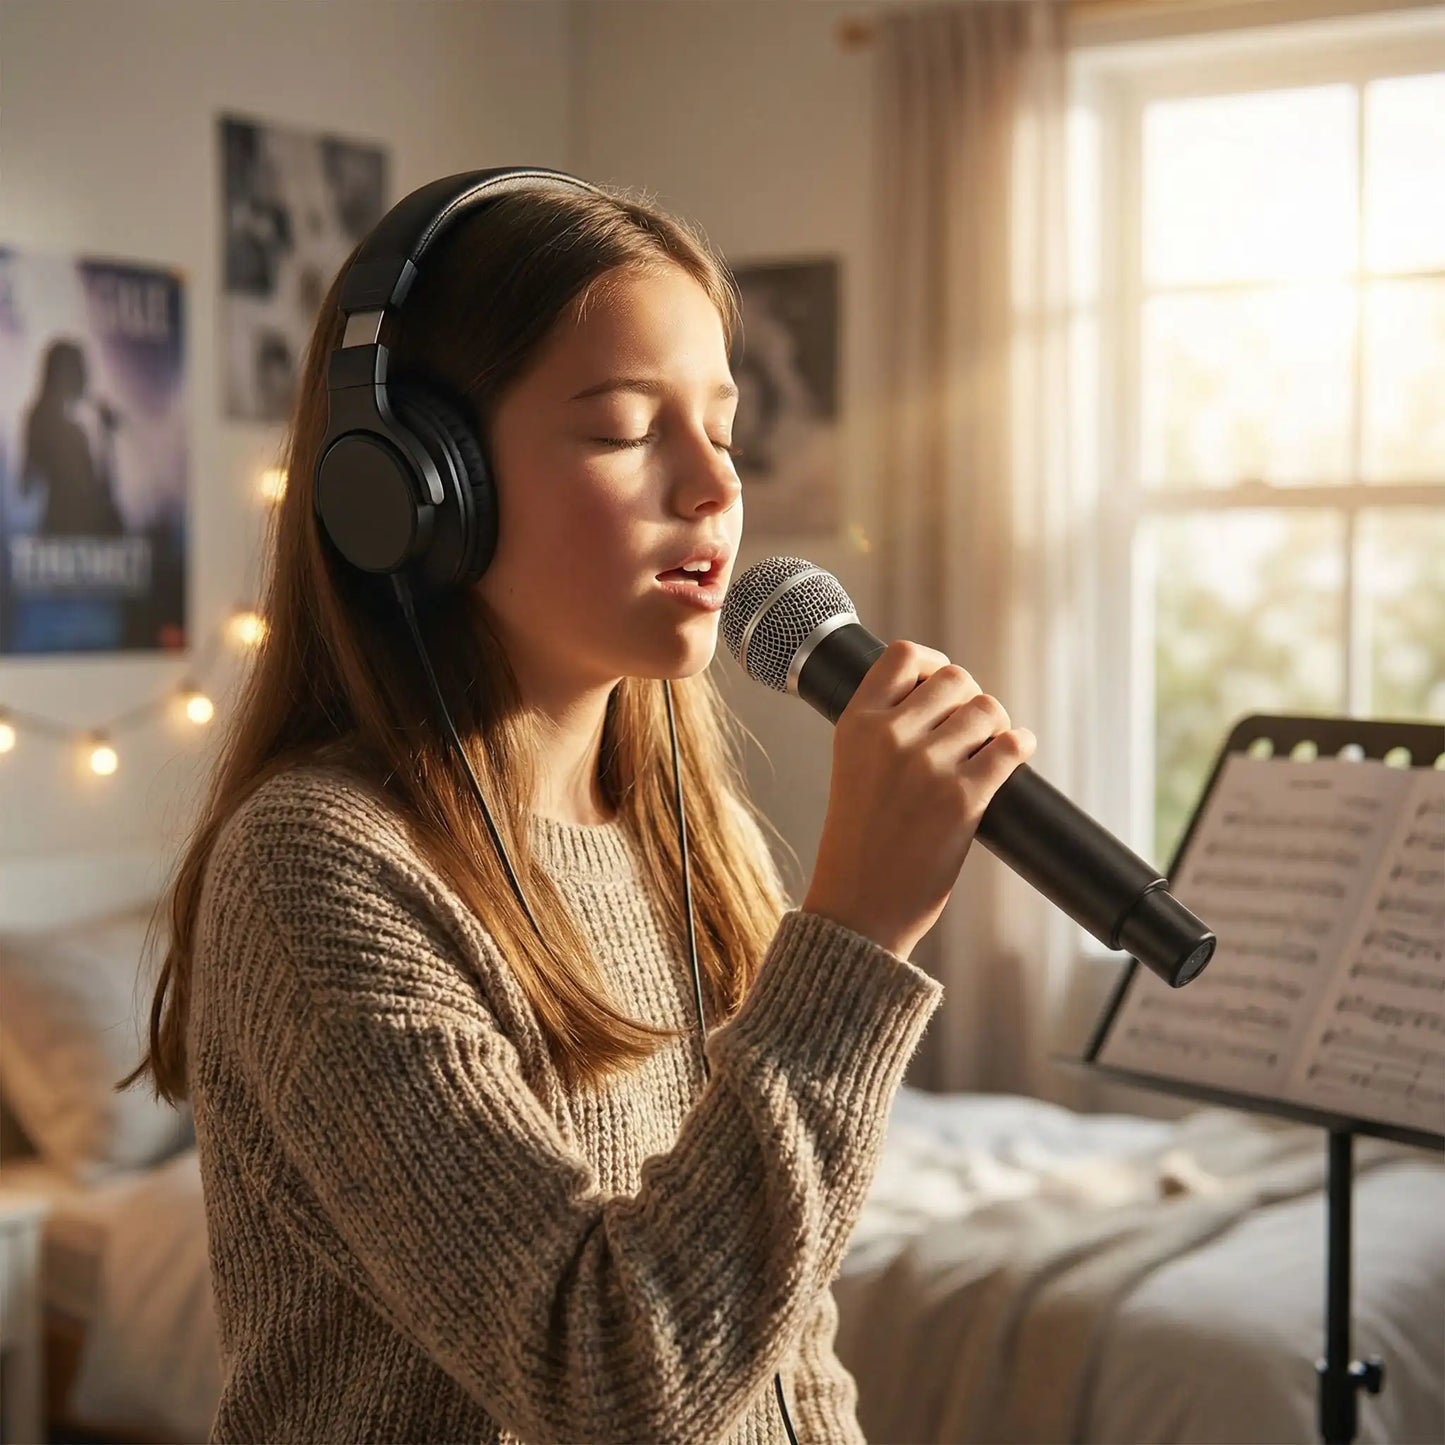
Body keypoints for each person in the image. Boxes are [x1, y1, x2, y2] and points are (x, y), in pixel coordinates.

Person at [117, 175, 1036, 1444]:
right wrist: (858, 936)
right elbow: (604, 1379)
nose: (713, 487)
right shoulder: (319, 864)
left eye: (721, 424)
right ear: (416, 489)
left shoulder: (685, 828)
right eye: (621, 428)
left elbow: (783, 1341)